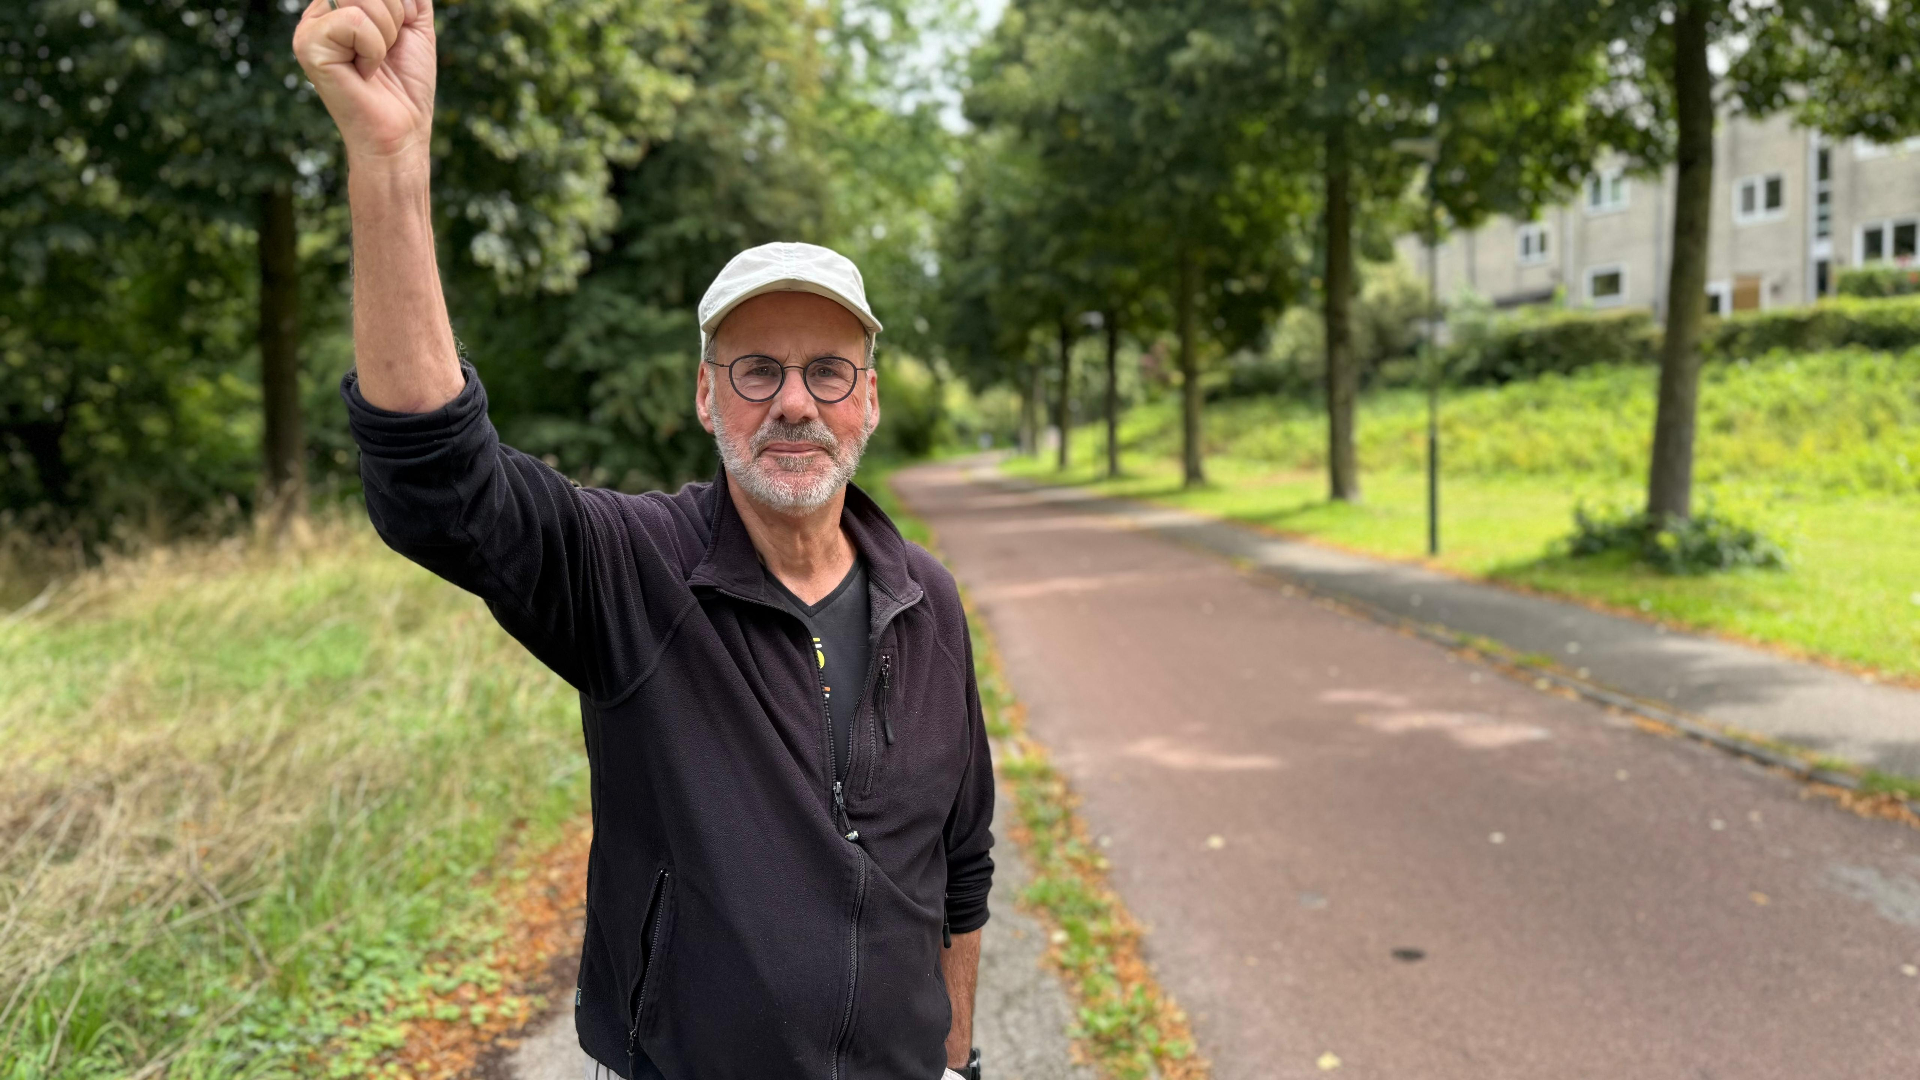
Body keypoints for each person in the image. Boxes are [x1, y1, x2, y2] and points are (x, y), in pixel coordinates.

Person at [291, 2, 994, 1078]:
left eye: (827, 372)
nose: (794, 403)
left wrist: (960, 1060)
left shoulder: (928, 602)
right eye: (756, 370)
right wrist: (391, 163)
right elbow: (441, 487)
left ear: (870, 403)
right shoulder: (634, 570)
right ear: (708, 399)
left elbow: (959, 866)